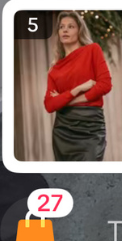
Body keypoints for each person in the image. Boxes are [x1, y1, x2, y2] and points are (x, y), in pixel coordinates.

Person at [43, 11, 112, 160]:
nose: (65, 30)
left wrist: (66, 99)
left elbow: (105, 85)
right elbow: (49, 105)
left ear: (79, 30)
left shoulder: (92, 50)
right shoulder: (54, 70)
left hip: (90, 126)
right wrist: (78, 89)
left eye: (70, 26)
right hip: (63, 130)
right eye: (61, 27)